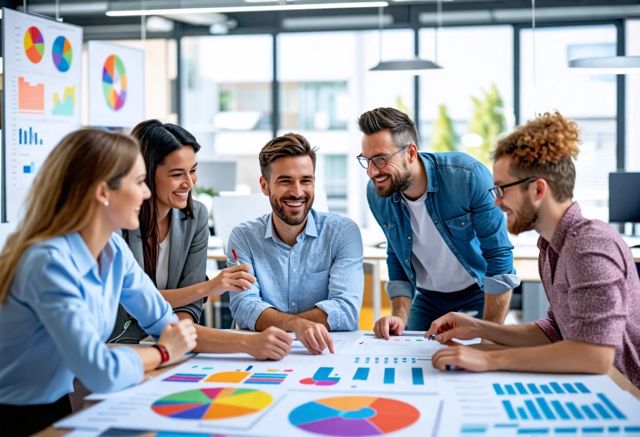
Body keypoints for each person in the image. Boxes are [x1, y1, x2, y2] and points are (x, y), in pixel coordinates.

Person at [0, 129, 197, 436]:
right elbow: (100, 370)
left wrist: (163, 346)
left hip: (60, 404)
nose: (146, 193)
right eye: (139, 182)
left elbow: (165, 324)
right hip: (17, 417)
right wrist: (162, 353)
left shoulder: (113, 250)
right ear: (104, 192)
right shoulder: (48, 262)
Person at [427, 112, 640, 388]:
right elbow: (553, 331)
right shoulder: (551, 246)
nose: (496, 202)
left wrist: (491, 359)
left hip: (628, 393)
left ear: (538, 189)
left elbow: (594, 355)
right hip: (601, 387)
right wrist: (477, 328)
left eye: (502, 189)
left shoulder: (589, 246)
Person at [109, 120, 292, 360]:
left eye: (193, 170)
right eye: (177, 174)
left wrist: (249, 342)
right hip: (115, 347)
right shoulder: (116, 224)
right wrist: (208, 288)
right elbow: (129, 302)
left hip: (167, 349)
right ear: (145, 175)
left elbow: (185, 314)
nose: (189, 182)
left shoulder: (195, 217)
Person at [357, 107, 519, 338]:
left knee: (475, 360)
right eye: (367, 160)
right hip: (427, 297)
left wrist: (490, 335)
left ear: (411, 153)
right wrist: (399, 317)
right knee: (405, 354)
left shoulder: (467, 176)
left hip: (477, 292)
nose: (372, 172)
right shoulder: (377, 193)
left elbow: (499, 255)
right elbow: (396, 254)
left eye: (381, 159)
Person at [228, 133, 364, 354]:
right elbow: (244, 307)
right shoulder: (243, 237)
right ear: (264, 186)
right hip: (264, 354)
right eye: (285, 181)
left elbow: (345, 310)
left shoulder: (342, 233)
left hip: (328, 354)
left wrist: (274, 320)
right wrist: (295, 325)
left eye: (305, 180)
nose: (298, 192)